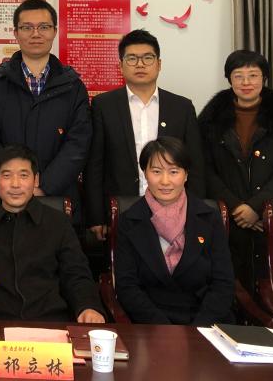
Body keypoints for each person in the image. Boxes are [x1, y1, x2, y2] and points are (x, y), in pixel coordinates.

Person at [0, 146, 104, 322]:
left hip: (48, 322)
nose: (15, 184)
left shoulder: (58, 223)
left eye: (23, 175)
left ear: (36, 180)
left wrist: (88, 306)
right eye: (7, 175)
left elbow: (76, 274)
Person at [85, 29, 205, 239]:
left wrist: (196, 213)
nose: (140, 64)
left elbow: (195, 164)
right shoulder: (104, 105)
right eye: (132, 58)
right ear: (121, 65)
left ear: (159, 64)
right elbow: (95, 163)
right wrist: (96, 216)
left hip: (174, 209)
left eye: (147, 58)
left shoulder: (181, 107)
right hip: (121, 207)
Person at [198, 49, 273, 290]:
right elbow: (204, 168)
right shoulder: (211, 117)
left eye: (253, 75)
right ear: (229, 79)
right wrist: (236, 208)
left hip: (269, 217)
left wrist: (256, 207)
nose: (246, 82)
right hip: (224, 216)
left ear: (264, 78)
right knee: (224, 283)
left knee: (269, 284)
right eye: (238, 76)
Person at [0, 0, 90, 201]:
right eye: (27, 27)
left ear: (55, 31)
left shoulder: (73, 86)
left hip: (57, 198)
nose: (36, 34)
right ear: (16, 33)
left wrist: (44, 186)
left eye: (44, 27)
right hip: (5, 197)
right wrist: (16, 183)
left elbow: (78, 144)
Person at [114, 137, 235, 325]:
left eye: (173, 172)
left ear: (186, 175)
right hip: (149, 325)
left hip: (204, 323)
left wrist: (198, 329)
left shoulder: (209, 218)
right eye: (156, 171)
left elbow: (223, 283)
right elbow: (127, 287)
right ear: (145, 173)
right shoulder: (128, 221)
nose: (165, 181)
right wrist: (165, 330)